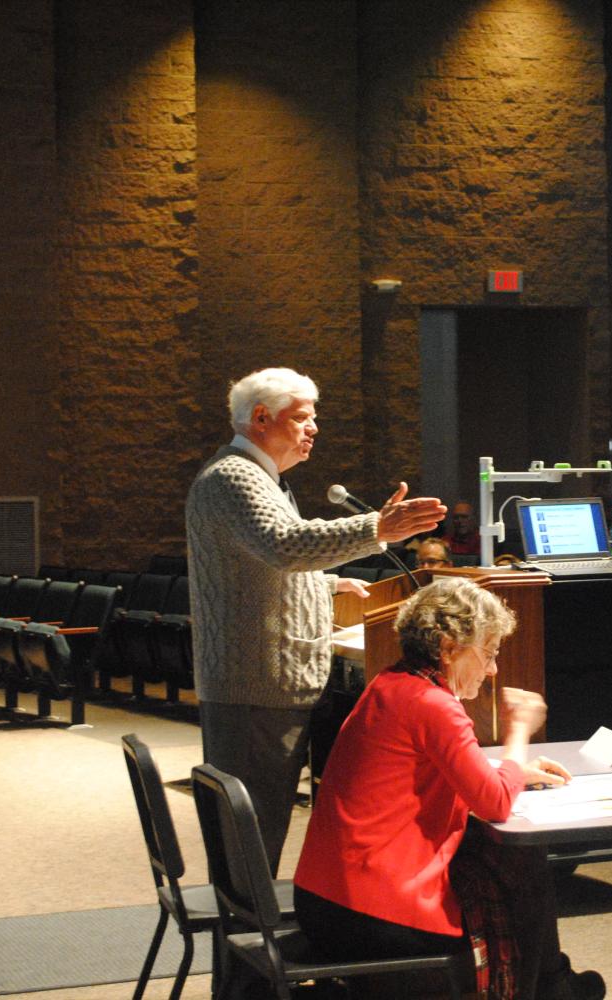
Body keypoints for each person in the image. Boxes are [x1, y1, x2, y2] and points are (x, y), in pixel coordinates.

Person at [186, 366, 446, 874]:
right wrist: (378, 527)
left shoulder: (264, 479)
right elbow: (284, 546)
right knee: (251, 837)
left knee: (262, 828)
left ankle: (252, 936)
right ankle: (246, 942)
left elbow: (257, 563)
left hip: (269, 680)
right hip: (253, 685)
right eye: (302, 417)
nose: (314, 428)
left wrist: (327, 585)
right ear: (261, 418)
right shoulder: (233, 477)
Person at [292, 578, 605, 1000]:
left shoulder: (388, 685)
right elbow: (493, 803)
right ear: (449, 647)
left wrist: (513, 771)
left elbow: (430, 774)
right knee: (518, 863)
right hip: (375, 914)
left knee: (508, 860)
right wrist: (518, 732)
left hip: (322, 900)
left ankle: (554, 987)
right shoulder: (434, 705)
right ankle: (552, 988)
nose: (493, 669)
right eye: (489, 653)